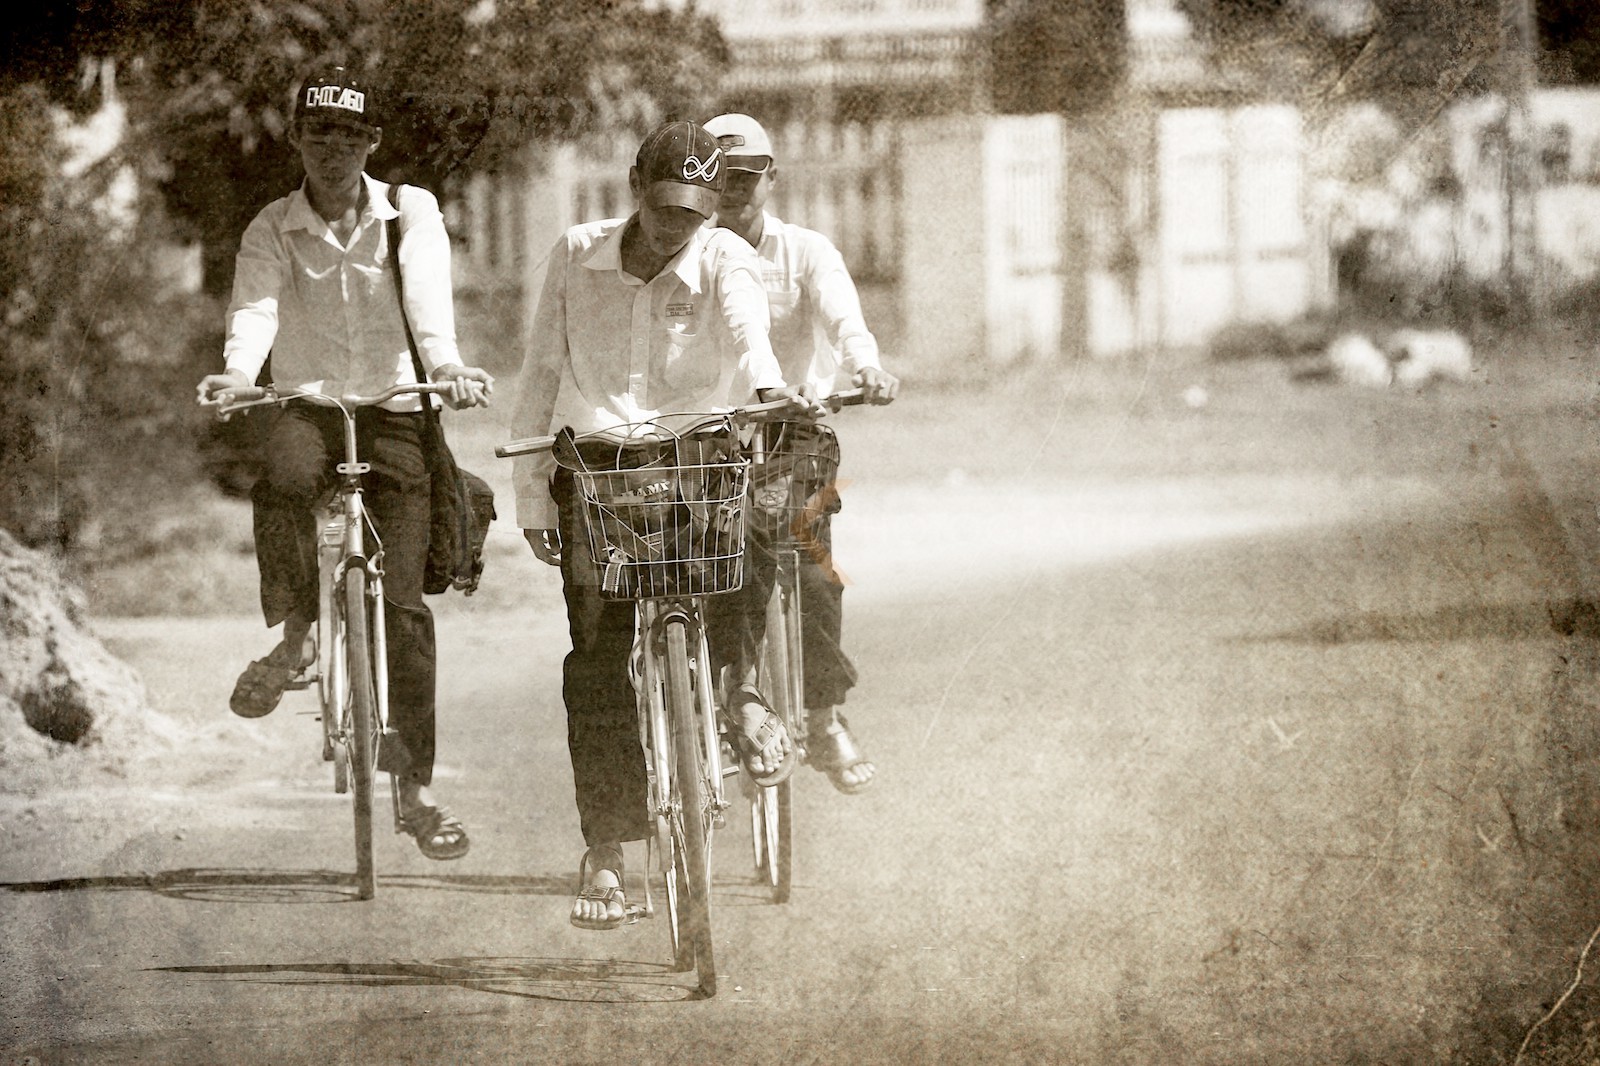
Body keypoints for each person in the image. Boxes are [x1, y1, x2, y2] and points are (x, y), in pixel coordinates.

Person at [511, 119, 819, 929]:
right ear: (634, 190)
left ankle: (742, 694)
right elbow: (542, 368)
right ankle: (607, 850)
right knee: (597, 656)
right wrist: (531, 493)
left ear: (713, 207)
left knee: (756, 530)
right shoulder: (577, 254)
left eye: (693, 211)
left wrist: (767, 386)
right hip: (599, 464)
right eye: (662, 207)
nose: (674, 225)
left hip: (697, 453)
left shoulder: (725, 257)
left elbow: (752, 337)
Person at [195, 66, 494, 861]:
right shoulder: (273, 227)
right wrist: (238, 371)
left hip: (395, 407)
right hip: (311, 404)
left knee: (404, 611)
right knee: (286, 480)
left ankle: (415, 791)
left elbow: (428, 296)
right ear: (297, 139)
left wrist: (450, 365)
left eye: (351, 136)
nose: (335, 150)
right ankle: (296, 640)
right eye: (319, 133)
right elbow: (255, 305)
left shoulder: (411, 213)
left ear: (373, 143)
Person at [702, 112, 899, 795]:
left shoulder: (806, 250)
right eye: (722, 178)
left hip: (795, 433)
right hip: (712, 434)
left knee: (812, 571)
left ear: (772, 179)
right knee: (719, 566)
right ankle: (735, 692)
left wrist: (866, 366)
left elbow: (844, 315)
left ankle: (822, 715)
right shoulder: (690, 254)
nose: (735, 192)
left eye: (748, 178)